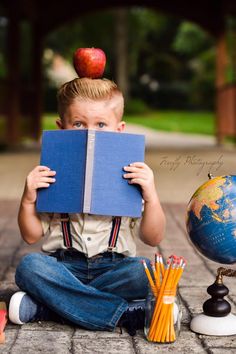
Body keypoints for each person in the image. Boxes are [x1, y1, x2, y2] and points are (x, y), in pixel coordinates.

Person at [9, 78, 166, 336]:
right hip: (64, 268)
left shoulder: (132, 174)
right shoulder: (52, 171)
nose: (90, 133)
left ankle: (48, 308)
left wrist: (151, 196)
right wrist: (28, 199)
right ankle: (125, 314)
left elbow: (153, 237)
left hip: (114, 269)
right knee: (29, 267)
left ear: (120, 129)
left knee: (147, 272)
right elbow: (31, 235)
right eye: (79, 124)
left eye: (101, 124)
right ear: (62, 128)